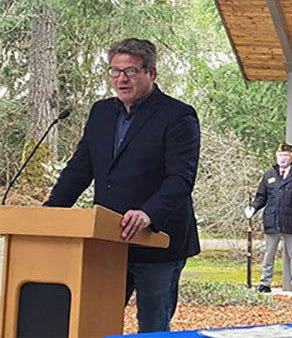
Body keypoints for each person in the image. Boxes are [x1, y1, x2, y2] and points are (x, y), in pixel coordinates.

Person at [44, 38, 201, 332]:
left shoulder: (178, 115)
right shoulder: (101, 113)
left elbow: (180, 179)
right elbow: (79, 170)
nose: (120, 79)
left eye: (129, 71)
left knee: (152, 327)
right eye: (114, 71)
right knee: (95, 322)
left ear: (151, 73)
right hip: (108, 243)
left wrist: (148, 213)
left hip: (157, 241)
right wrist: (50, 213)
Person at [249, 142, 292, 295]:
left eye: (285, 156)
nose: (282, 159)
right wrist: (253, 208)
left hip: (291, 221)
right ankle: (265, 283)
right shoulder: (269, 175)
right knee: (269, 253)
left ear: (291, 158)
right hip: (272, 220)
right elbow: (261, 196)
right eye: (280, 156)